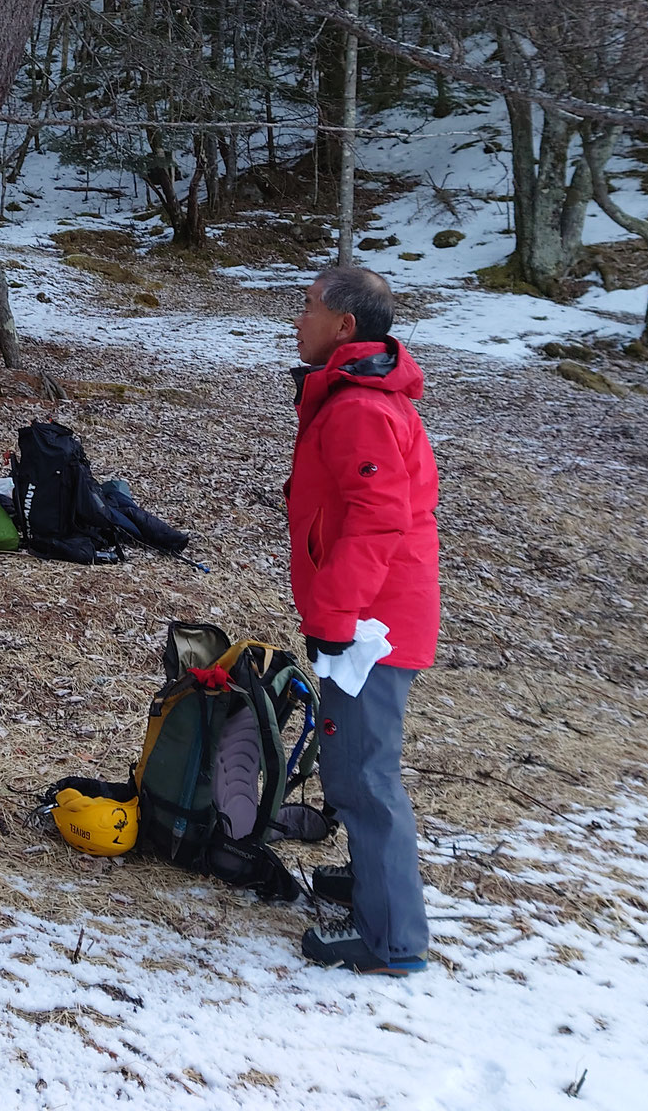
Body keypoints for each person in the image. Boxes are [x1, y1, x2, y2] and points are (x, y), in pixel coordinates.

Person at [286, 266, 439, 976]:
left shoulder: (360, 409)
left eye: (309, 307)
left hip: (373, 624)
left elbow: (379, 518)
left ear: (345, 327)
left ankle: (391, 940)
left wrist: (339, 614)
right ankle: (372, 883)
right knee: (350, 759)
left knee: (362, 774)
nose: (297, 319)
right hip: (371, 613)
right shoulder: (358, 396)